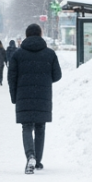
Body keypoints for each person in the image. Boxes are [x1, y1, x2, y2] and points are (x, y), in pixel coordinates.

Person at [7, 23, 63, 174]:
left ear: (26, 35)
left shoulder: (17, 55)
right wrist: (44, 79)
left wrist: (14, 97)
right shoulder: (49, 54)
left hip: (23, 95)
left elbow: (11, 78)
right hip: (42, 95)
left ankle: (30, 155)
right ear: (40, 34)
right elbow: (57, 75)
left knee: (26, 127)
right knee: (40, 127)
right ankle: (37, 161)